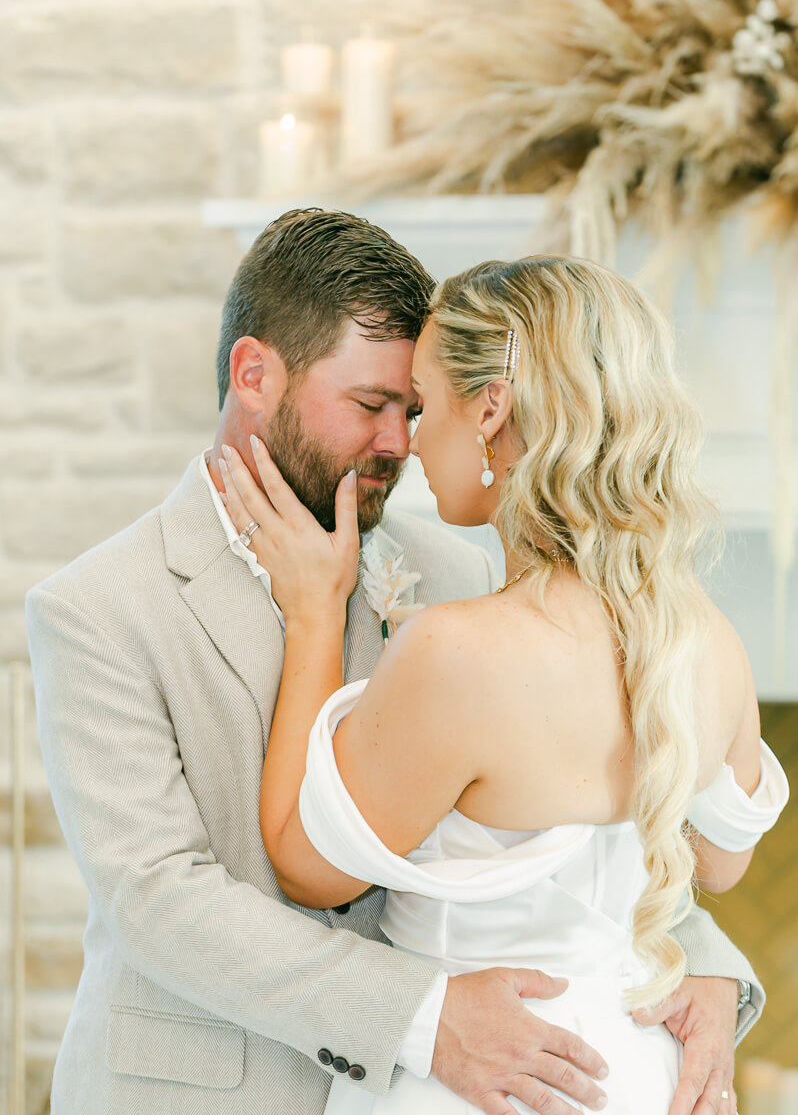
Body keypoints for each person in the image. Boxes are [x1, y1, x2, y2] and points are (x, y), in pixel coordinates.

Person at [25, 211, 767, 1115]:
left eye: (414, 409)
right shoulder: (99, 608)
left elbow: (566, 825)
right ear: (253, 373)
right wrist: (423, 1016)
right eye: (372, 405)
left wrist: (709, 971)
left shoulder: (463, 572)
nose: (400, 444)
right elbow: (157, 899)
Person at [217, 250, 789, 1115]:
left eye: (424, 403)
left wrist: (314, 618)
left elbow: (305, 866)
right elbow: (721, 860)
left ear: (490, 407)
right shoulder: (704, 641)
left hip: (478, 1084)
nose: (407, 440)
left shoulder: (457, 653)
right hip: (638, 1077)